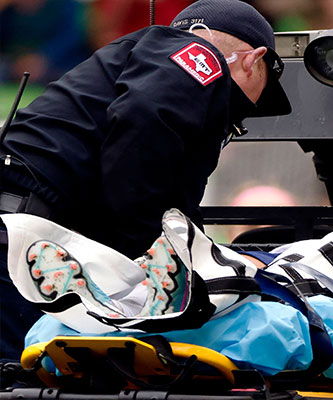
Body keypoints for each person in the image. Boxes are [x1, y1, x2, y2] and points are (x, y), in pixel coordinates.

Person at [0, 0, 289, 360]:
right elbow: (142, 130)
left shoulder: (139, 57)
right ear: (253, 60)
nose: (242, 117)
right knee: (21, 376)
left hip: (25, 227)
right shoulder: (199, 56)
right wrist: (153, 252)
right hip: (21, 233)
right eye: (247, 109)